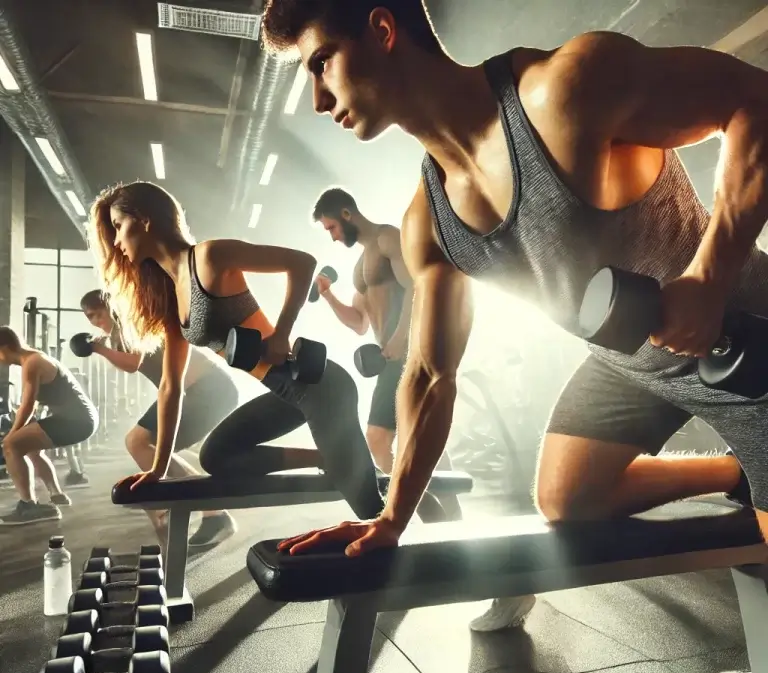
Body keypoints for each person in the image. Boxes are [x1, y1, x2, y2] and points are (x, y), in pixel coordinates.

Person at [262, 0, 768, 632]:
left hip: (745, 338)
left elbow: (753, 99)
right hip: (629, 365)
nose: (316, 98)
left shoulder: (564, 88)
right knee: (564, 498)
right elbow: (428, 373)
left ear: (383, 29)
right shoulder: (429, 222)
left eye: (321, 63)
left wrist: (710, 278)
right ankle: (732, 472)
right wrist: (393, 516)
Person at [88, 181, 385, 529]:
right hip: (285, 394)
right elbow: (170, 387)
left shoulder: (210, 256)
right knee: (216, 455)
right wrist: (157, 468)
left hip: (320, 387)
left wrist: (282, 333)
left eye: (120, 227)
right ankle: (327, 457)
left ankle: (410, 511)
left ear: (144, 220)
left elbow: (302, 263)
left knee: (368, 509)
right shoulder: (173, 296)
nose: (117, 242)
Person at [79, 290, 241, 548]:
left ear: (111, 307)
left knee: (137, 441)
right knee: (148, 449)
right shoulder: (120, 334)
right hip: (200, 392)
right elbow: (132, 362)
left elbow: (133, 362)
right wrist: (103, 345)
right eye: (90, 318)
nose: (95, 321)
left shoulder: (133, 323)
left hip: (207, 390)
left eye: (97, 314)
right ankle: (209, 514)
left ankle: (177, 510)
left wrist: (98, 348)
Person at [311, 187, 411, 472]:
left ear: (346, 214)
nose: (333, 236)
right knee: (413, 436)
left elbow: (417, 288)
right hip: (389, 357)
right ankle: (441, 512)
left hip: (406, 354)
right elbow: (359, 323)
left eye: (332, 227)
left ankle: (404, 509)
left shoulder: (387, 238)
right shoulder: (359, 266)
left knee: (377, 440)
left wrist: (400, 337)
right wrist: (328, 295)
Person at [0, 327, 98, 524]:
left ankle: (29, 506)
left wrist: (12, 434)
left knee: (12, 445)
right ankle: (56, 494)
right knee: (31, 449)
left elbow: (28, 405)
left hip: (77, 421)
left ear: (4, 348)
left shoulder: (32, 363)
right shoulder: (34, 359)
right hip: (79, 419)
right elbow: (31, 404)